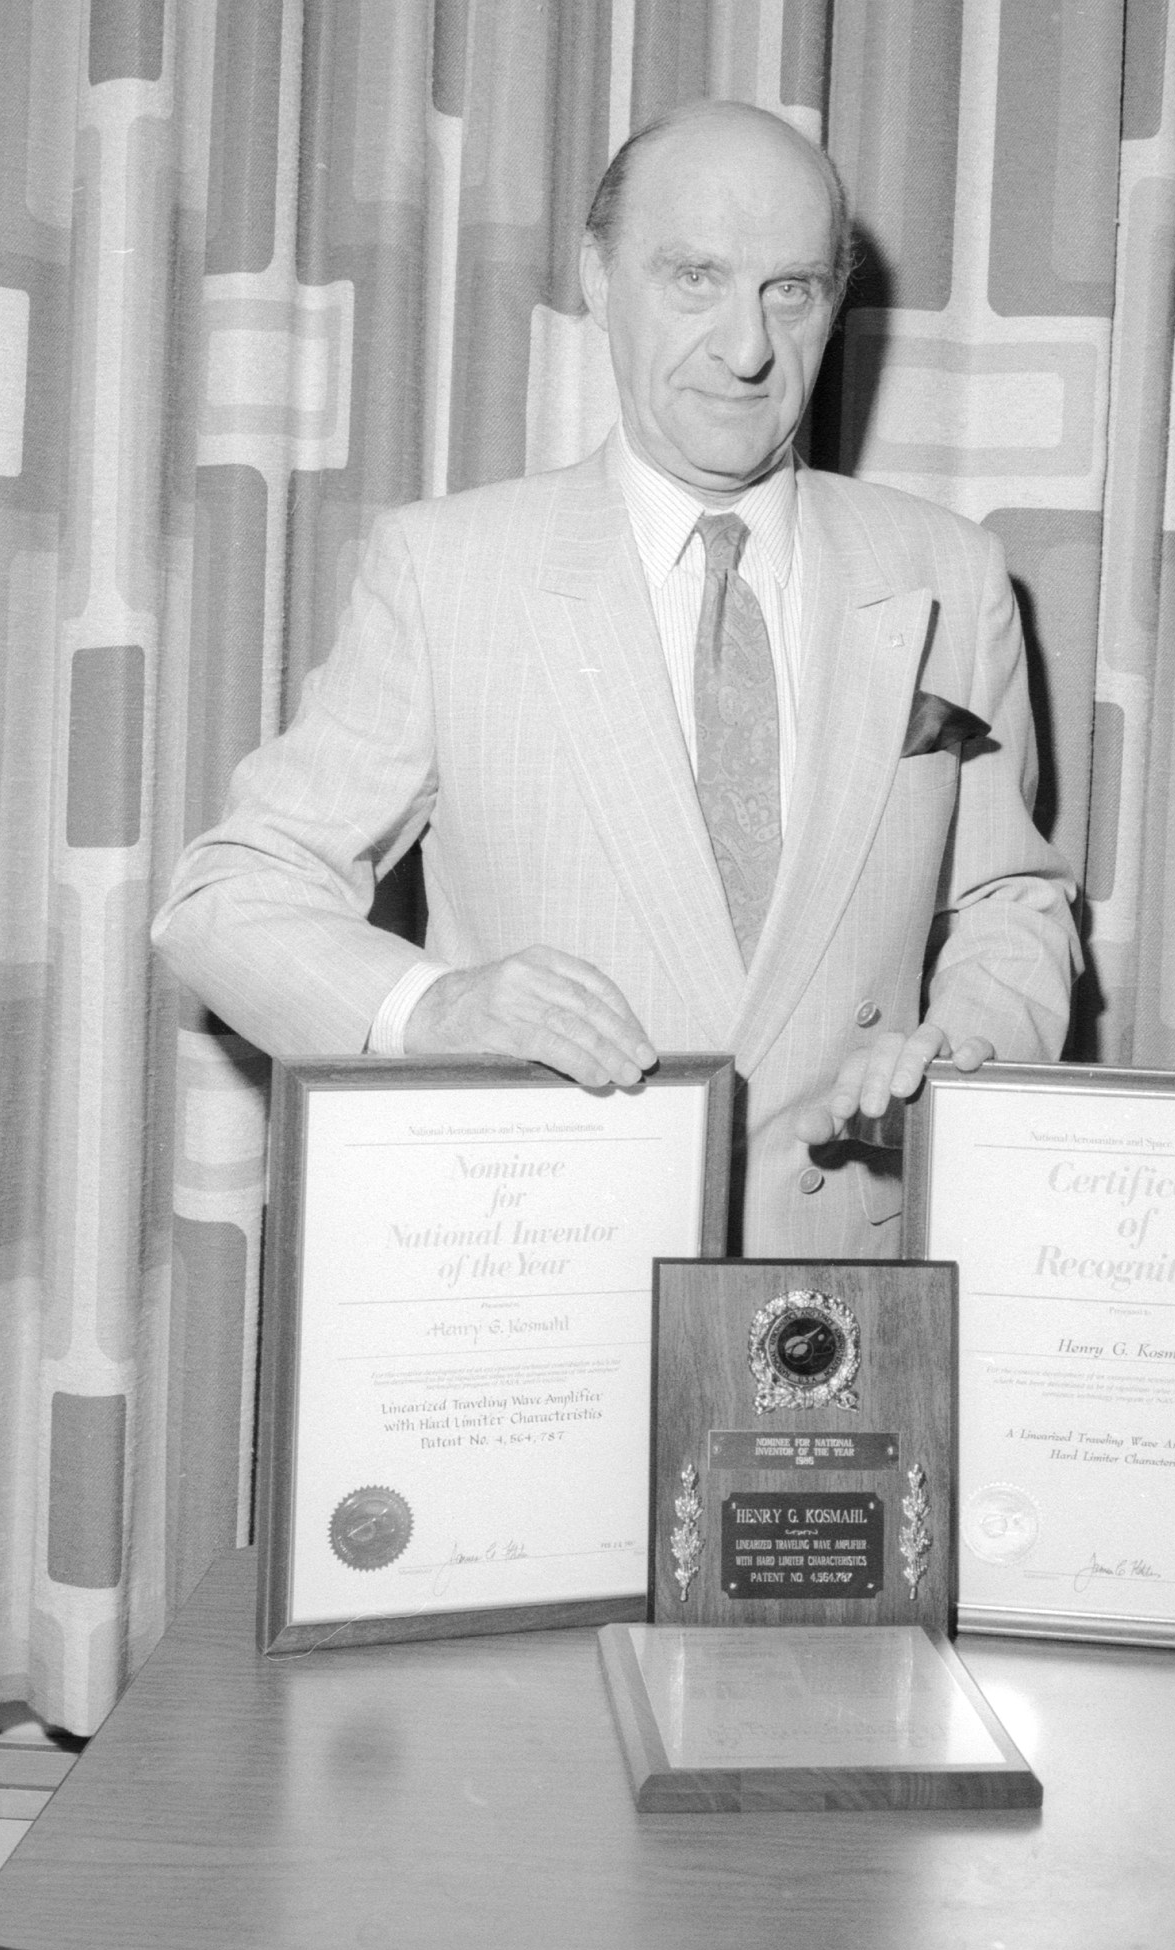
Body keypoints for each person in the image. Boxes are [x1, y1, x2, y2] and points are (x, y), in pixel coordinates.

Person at [153, 99, 1078, 1256]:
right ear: (599, 278)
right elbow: (225, 901)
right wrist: (433, 1008)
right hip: (550, 1274)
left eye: (789, 290)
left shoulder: (949, 571)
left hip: (849, 1282)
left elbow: (1009, 899)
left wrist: (969, 1047)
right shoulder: (448, 572)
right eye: (694, 278)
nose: (746, 349)